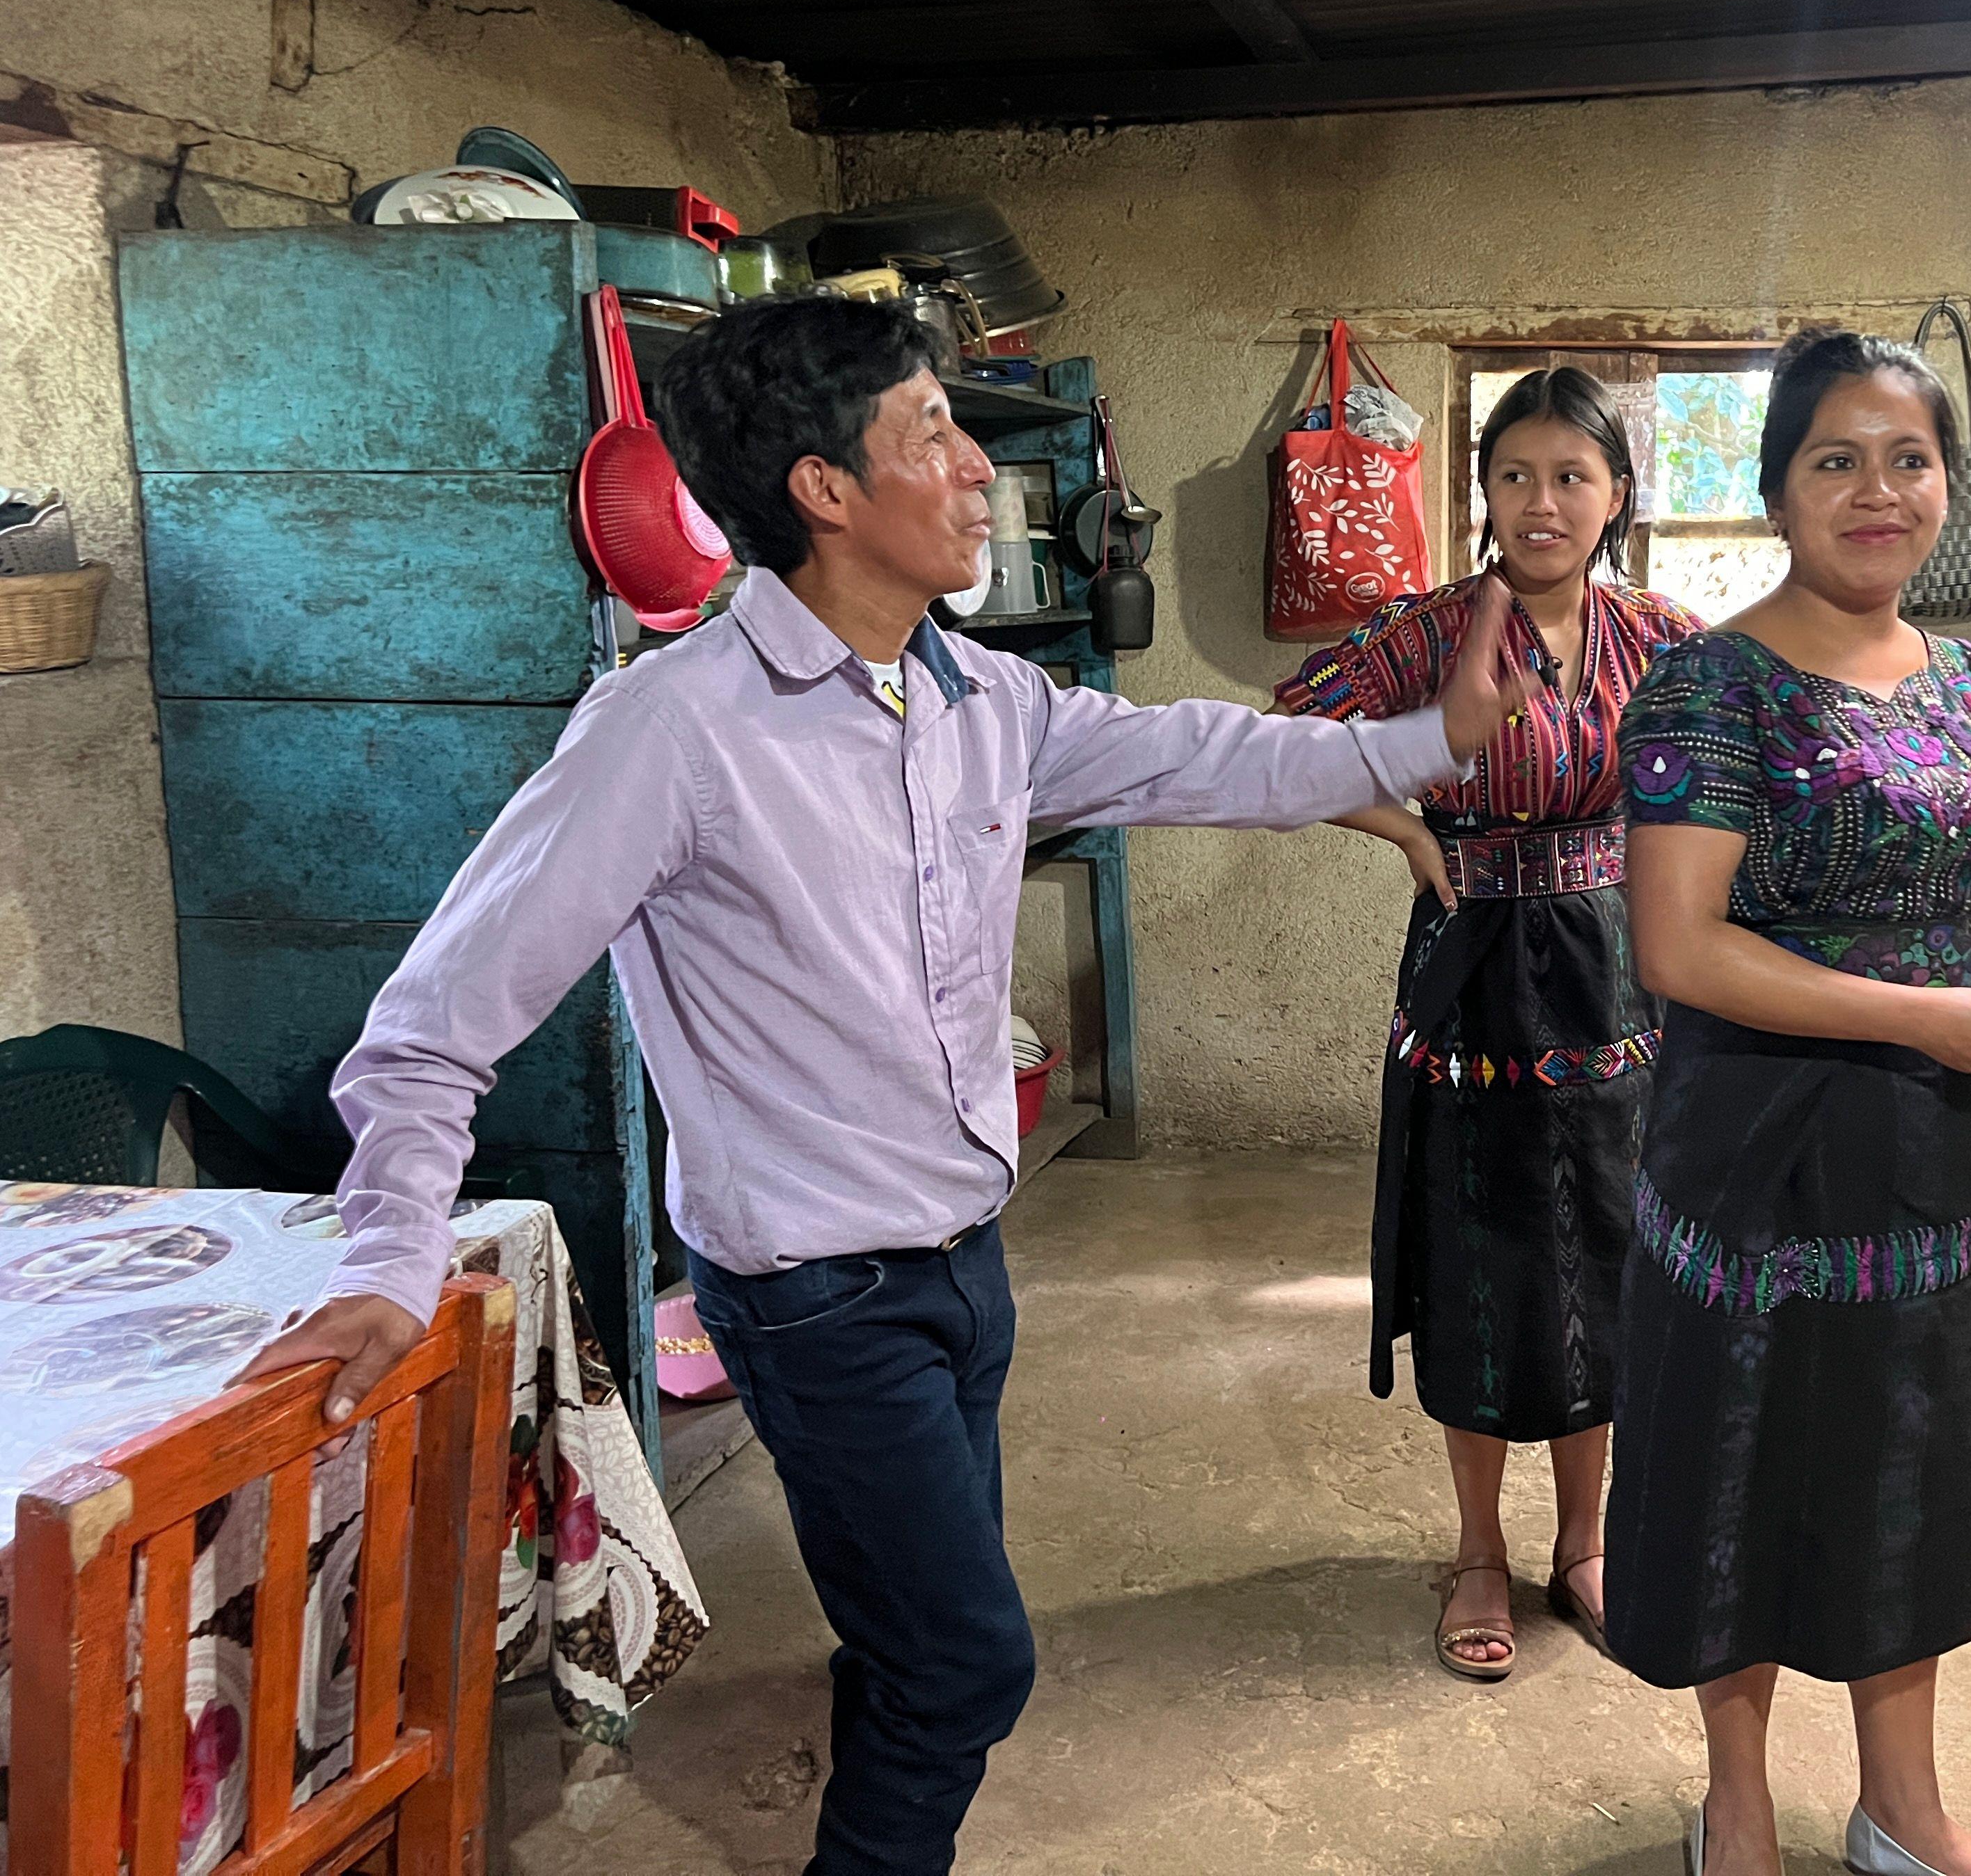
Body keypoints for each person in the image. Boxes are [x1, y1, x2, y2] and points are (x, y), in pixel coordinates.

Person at [230, 297, 1538, 1876]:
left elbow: (1209, 759)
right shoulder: (674, 730)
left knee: (903, 1622)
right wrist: (386, 1255)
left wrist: (1423, 743)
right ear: (825, 491)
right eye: (933, 431)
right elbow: (433, 1026)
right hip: (814, 1291)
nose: (978, 468)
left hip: (962, 1263)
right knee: (964, 1665)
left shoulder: (978, 698)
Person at [1603, 329, 1971, 1876]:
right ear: (1777, 489)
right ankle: (1735, 1803)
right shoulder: (1711, 687)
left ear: (1949, 483)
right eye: (1837, 460)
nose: (1879, 491)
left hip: (1936, 1157)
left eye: (1909, 459)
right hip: (1760, 1151)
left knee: (1914, 1466)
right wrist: (1924, 1019)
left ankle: (1901, 1808)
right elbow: (1679, 947)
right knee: (1740, 1459)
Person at [1275, 367, 1700, 1680]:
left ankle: (1586, 1545)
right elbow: (1288, 734)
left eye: (1572, 475)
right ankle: (1475, 1548)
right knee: (1480, 1262)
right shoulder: (1424, 633)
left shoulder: (1667, 639)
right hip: (1466, 976)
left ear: (1617, 495)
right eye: (1514, 474)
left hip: (1619, 986)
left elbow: (1729, 782)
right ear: (1484, 493)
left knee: (1608, 1262)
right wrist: (1404, 821)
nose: (1542, 501)